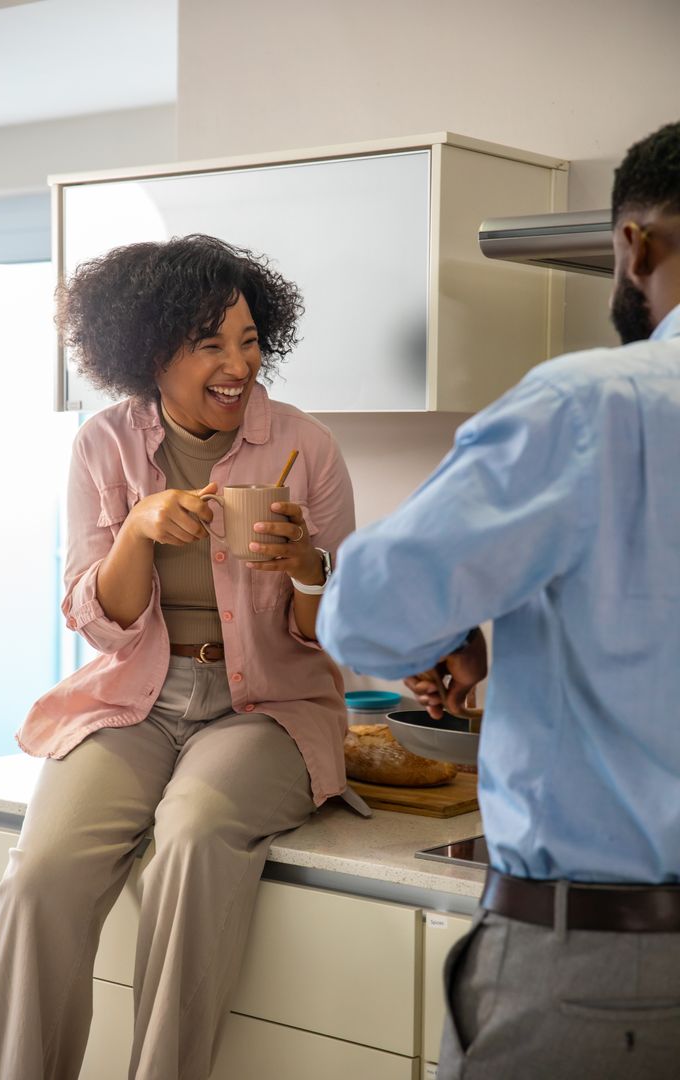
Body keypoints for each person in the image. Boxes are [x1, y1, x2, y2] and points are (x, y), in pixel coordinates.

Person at [316, 119, 680, 1080]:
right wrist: (502, 642)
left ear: (632, 244)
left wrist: (446, 629)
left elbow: (366, 612)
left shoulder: (592, 407)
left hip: (613, 974)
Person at [0, 234, 360, 1080]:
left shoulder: (308, 447)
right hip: (133, 700)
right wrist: (141, 532)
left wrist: (309, 569)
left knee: (192, 832)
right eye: (210, 342)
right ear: (151, 353)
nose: (239, 364)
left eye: (251, 340)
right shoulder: (103, 445)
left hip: (265, 706)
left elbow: (339, 636)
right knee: (40, 876)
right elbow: (100, 624)